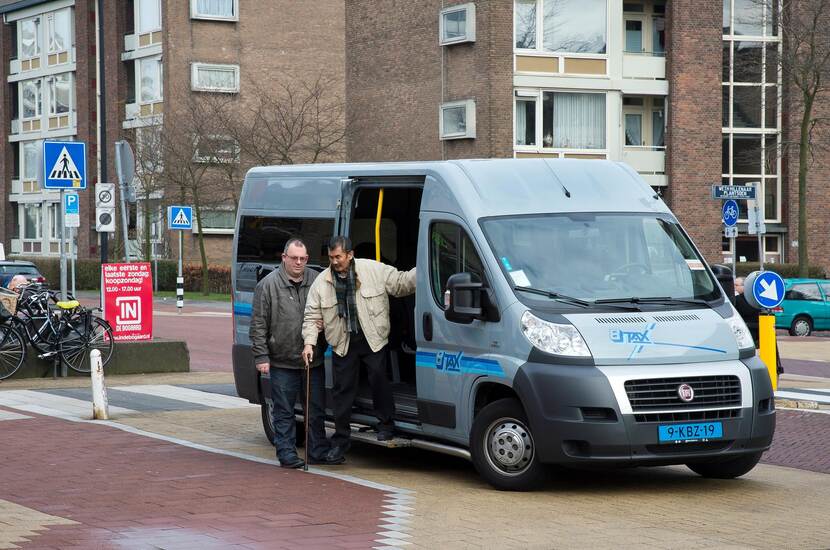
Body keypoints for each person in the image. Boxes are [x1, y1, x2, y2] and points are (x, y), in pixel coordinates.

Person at [302, 236, 416, 464]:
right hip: (343, 343)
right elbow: (312, 316)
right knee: (342, 391)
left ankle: (386, 426)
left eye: (339, 257)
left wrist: (426, 267)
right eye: (331, 257)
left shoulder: (373, 269)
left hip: (372, 338)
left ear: (350, 254)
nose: (334, 262)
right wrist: (309, 342)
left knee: (378, 379)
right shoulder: (322, 283)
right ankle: (341, 441)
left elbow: (401, 283)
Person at [249, 238, 332, 469]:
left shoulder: (317, 280)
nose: (298, 262)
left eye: (303, 258)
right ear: (284, 258)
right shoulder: (267, 285)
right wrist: (261, 357)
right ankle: (286, 453)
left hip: (312, 360)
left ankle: (317, 451)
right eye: (293, 258)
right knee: (284, 411)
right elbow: (258, 325)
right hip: (282, 360)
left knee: (315, 410)